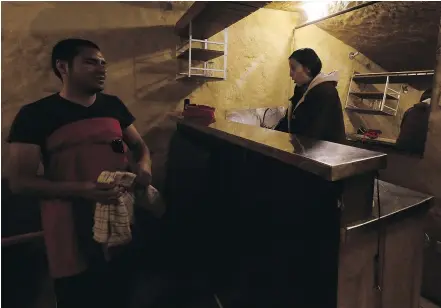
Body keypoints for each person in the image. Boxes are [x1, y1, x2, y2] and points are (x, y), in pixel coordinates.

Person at [7, 38, 152, 308]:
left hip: (120, 217)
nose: (101, 68)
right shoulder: (35, 115)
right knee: (80, 295)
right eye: (90, 62)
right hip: (70, 223)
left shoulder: (113, 106)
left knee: (122, 289)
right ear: (63, 67)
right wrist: (84, 189)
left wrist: (143, 166)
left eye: (103, 63)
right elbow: (20, 182)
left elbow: (136, 146)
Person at [275, 48, 346, 144]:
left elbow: (315, 132)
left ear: (307, 69)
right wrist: (274, 135)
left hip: (324, 155)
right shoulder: (302, 89)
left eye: (293, 68)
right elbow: (289, 120)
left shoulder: (326, 92)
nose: (290, 74)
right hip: (306, 151)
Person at [395, 88, 432, 155]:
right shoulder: (435, 114)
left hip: (400, 150)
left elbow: (401, 127)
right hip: (419, 154)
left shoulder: (409, 110)